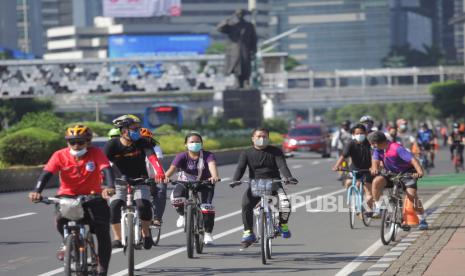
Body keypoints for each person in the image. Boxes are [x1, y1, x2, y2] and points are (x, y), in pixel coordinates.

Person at [28, 125, 115, 276]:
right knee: (60, 220)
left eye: (80, 142)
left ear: (88, 142)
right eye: (71, 142)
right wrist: (37, 191)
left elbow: (106, 169)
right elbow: (46, 174)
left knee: (103, 232)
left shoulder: (96, 153)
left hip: (93, 197)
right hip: (67, 197)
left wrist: (109, 187)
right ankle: (66, 242)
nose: (76, 145)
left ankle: (102, 268)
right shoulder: (59, 155)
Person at [104, 115, 166, 250]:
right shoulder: (112, 145)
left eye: (138, 128)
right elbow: (102, 164)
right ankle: (118, 238)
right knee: (114, 206)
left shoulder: (143, 142)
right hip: (119, 182)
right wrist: (104, 183)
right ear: (123, 130)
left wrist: (160, 172)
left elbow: (152, 157)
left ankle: (146, 233)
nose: (138, 131)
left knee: (143, 205)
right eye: (134, 128)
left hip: (140, 180)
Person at [232, 127, 298, 248]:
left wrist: (288, 177)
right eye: (258, 136)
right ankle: (248, 233)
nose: (261, 139)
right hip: (255, 185)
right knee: (246, 204)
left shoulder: (276, 151)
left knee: (285, 204)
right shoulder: (246, 153)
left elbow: (282, 166)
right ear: (253, 138)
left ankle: (282, 225)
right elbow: (240, 168)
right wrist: (235, 180)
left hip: (274, 184)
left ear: (268, 138)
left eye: (264, 136)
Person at [164, 133, 219, 244]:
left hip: (205, 183)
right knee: (176, 198)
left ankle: (207, 233)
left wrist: (214, 176)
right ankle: (182, 215)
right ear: (186, 144)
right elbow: (172, 169)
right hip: (185, 182)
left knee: (207, 207)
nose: (195, 144)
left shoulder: (208, 155)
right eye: (192, 142)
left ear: (202, 144)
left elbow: (212, 166)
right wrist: (165, 177)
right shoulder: (181, 156)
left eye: (197, 141)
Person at [368, 131, 428, 230]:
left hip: (407, 173)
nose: (371, 146)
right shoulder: (378, 150)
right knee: (376, 182)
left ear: (377, 143)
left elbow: (412, 159)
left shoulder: (396, 148)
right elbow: (375, 160)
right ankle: (379, 208)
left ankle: (422, 219)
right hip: (390, 173)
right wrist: (374, 168)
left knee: (412, 196)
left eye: (372, 143)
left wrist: (419, 171)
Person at [332, 124, 374, 212]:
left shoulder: (370, 143)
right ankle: (352, 200)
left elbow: (375, 156)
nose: (359, 135)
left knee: (368, 191)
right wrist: (337, 166)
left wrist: (374, 167)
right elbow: (343, 156)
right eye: (357, 133)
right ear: (353, 135)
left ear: (366, 134)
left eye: (362, 133)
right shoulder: (350, 144)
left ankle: (369, 210)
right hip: (354, 169)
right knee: (348, 183)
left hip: (367, 170)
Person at [139, 127, 166, 226]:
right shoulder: (132, 150)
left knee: (161, 191)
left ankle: (157, 217)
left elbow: (156, 161)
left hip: (155, 176)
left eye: (146, 138)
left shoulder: (155, 148)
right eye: (141, 139)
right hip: (139, 178)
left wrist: (159, 176)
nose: (144, 141)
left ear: (150, 139)